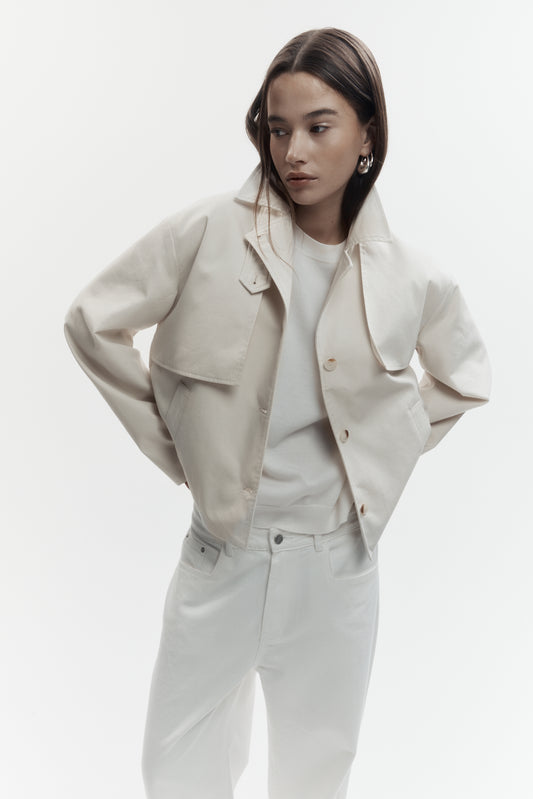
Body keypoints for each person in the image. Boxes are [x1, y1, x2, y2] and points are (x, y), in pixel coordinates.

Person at [64, 27, 491, 799]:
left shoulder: (410, 276)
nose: (293, 151)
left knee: (315, 778)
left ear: (367, 134)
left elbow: (464, 375)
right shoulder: (207, 232)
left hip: (337, 562)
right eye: (277, 127)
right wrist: (180, 449)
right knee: (177, 767)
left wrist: (384, 444)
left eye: (318, 127)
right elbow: (92, 322)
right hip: (223, 551)